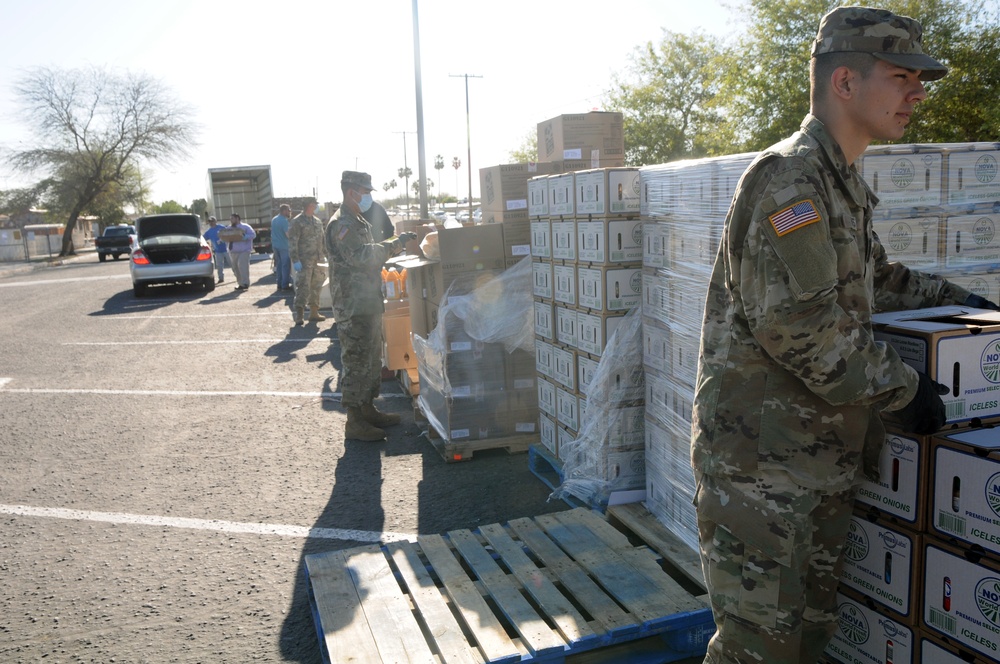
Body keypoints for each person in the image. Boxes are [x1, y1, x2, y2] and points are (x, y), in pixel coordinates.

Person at [690, 7, 998, 663]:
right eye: (902, 75)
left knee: (806, 644)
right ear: (845, 84)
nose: (918, 91)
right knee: (757, 651)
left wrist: (970, 307)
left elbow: (875, 280)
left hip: (814, 466)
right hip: (761, 475)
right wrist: (902, 389)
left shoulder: (838, 182)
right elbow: (799, 328)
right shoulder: (789, 180)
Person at [326, 170, 417, 441]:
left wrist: (391, 246)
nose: (367, 197)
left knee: (369, 359)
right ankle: (354, 421)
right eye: (364, 192)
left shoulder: (357, 220)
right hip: (352, 305)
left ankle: (367, 408)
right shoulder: (341, 224)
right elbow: (363, 256)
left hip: (366, 301)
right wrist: (394, 244)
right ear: (351, 191)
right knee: (355, 361)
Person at [288, 199, 327, 326]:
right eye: (314, 204)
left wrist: (326, 255)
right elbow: (293, 242)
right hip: (304, 261)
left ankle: (314, 313)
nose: (316, 206)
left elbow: (322, 240)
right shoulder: (297, 222)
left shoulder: (317, 222)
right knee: (303, 287)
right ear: (309, 205)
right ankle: (299, 314)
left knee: (316, 287)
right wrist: (295, 260)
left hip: (318, 260)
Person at [227, 213, 255, 291]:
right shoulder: (229, 228)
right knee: (235, 268)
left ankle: (245, 283)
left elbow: (253, 235)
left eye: (232, 218)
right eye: (230, 219)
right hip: (233, 251)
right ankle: (240, 284)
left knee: (242, 266)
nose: (231, 220)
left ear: (237, 218)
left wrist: (246, 237)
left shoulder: (245, 227)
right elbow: (225, 236)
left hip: (244, 250)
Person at [271, 204, 292, 291]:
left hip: (275, 245)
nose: (289, 212)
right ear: (284, 211)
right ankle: (285, 284)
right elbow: (288, 234)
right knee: (285, 265)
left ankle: (279, 283)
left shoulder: (274, 219)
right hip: (284, 246)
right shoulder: (284, 221)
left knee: (279, 265)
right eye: (288, 210)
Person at [202, 215, 229, 283]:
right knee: (219, 265)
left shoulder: (221, 227)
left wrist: (223, 239)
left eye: (212, 221)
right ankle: (221, 278)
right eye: (210, 221)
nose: (211, 222)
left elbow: (228, 234)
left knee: (232, 263)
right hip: (217, 251)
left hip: (226, 249)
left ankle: (238, 276)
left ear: (216, 221)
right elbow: (203, 238)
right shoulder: (209, 231)